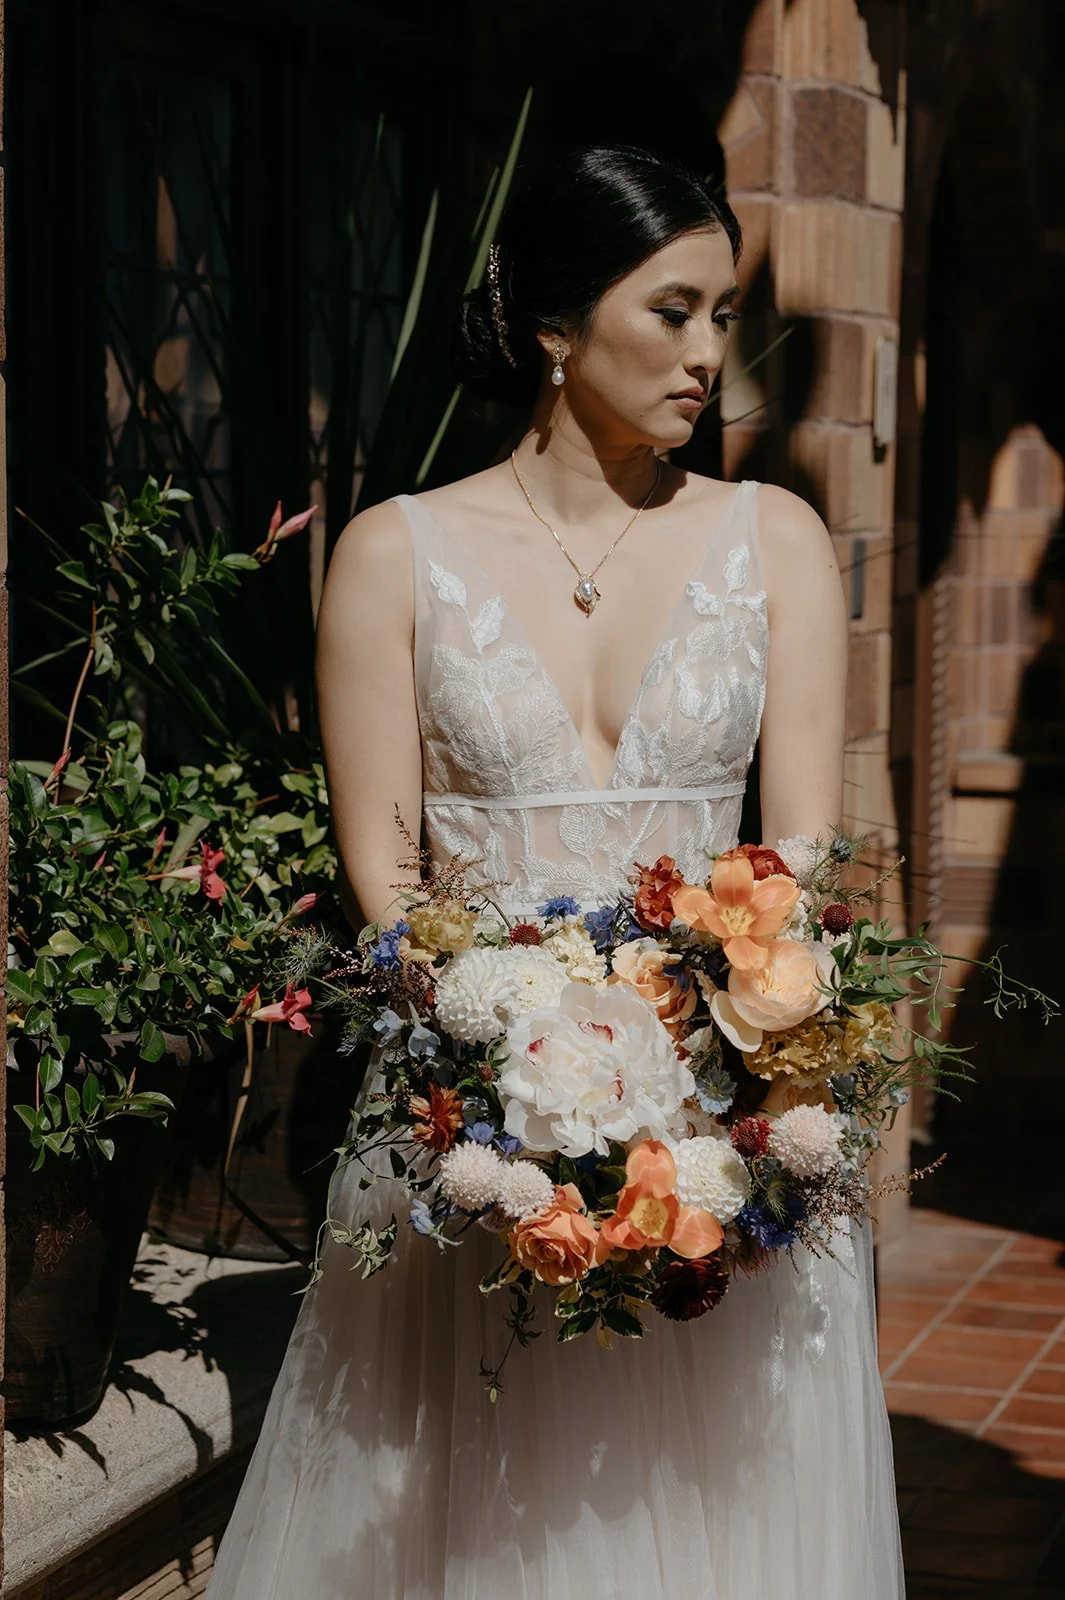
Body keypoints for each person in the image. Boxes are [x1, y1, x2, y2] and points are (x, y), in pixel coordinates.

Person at [206, 145, 906, 1599]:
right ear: (552, 325)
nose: (711, 354)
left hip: (722, 1150)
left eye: (725, 314)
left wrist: (726, 1092)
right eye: (674, 311)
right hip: (478, 1158)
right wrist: (522, 1113)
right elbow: (387, 886)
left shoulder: (771, 541)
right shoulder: (394, 557)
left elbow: (805, 871)